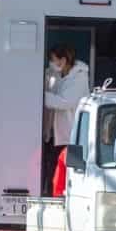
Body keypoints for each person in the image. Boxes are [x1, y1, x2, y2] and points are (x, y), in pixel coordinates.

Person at [42, 46, 90, 193]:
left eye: (53, 60)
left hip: (69, 136)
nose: (50, 63)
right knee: (50, 170)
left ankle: (57, 198)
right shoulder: (55, 75)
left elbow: (65, 102)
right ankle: (49, 195)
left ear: (63, 60)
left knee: (62, 174)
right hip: (53, 134)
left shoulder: (79, 77)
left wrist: (40, 95)